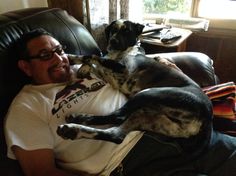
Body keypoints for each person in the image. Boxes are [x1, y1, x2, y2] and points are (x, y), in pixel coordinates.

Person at [4, 28, 236, 176]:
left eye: (60, 50)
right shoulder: (26, 106)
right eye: (46, 55)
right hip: (132, 162)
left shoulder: (85, 67)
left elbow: (130, 65)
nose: (59, 59)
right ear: (25, 66)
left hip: (176, 129)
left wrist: (162, 63)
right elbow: (41, 171)